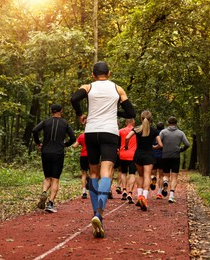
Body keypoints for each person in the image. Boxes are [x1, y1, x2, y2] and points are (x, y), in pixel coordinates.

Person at [71, 61, 135, 238]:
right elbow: (131, 113)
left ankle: (95, 214)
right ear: (109, 73)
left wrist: (80, 114)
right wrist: (115, 111)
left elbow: (74, 99)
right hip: (109, 133)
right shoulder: (118, 89)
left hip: (91, 132)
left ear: (93, 74)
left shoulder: (88, 87)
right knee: (106, 172)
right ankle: (99, 213)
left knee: (93, 173)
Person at [32, 104, 76, 213]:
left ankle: (43, 192)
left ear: (51, 111)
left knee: (47, 177)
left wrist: (38, 143)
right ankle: (50, 203)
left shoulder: (45, 122)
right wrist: (65, 145)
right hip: (58, 153)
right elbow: (73, 138)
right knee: (55, 179)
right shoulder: (65, 123)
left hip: (45, 152)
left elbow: (34, 130)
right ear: (61, 111)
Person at [125, 110, 163, 211]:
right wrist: (154, 147)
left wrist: (125, 146)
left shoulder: (137, 129)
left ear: (141, 118)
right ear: (150, 119)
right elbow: (161, 145)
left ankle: (139, 196)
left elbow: (127, 137)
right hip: (149, 155)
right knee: (147, 176)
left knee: (140, 175)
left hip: (138, 155)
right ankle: (144, 198)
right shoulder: (154, 130)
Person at [159, 116, 190, 203]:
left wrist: (162, 149)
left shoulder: (163, 132)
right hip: (176, 156)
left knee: (166, 174)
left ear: (168, 123)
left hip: (165, 156)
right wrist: (181, 149)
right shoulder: (180, 133)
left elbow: (159, 142)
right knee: (174, 176)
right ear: (176, 123)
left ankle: (165, 181)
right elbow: (187, 144)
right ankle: (171, 195)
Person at [118, 118, 137, 203]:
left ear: (126, 122)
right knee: (132, 173)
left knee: (123, 172)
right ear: (133, 122)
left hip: (123, 155)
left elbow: (117, 144)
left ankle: (124, 189)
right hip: (133, 155)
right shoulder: (136, 131)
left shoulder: (120, 131)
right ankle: (130, 192)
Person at [72, 132, 89, 199]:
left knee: (84, 173)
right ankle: (93, 191)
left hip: (83, 156)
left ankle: (84, 192)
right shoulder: (93, 135)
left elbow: (75, 146)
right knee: (93, 173)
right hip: (92, 156)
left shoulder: (81, 136)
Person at [152, 122, 165, 199]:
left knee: (153, 173)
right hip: (162, 156)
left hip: (153, 155)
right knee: (161, 175)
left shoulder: (153, 133)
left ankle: (153, 178)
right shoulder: (165, 134)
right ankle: (159, 193)